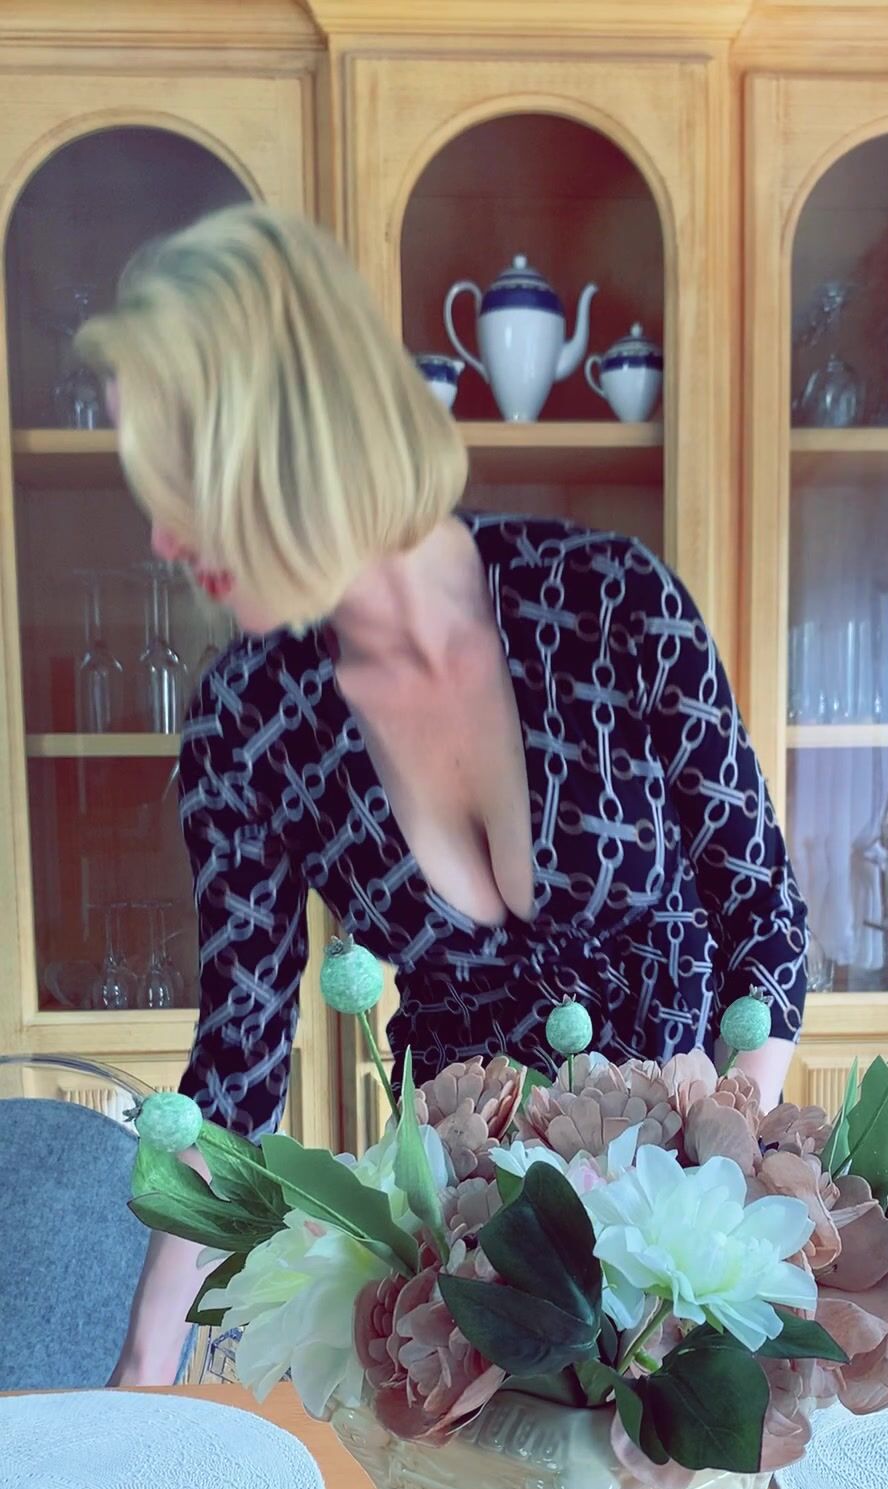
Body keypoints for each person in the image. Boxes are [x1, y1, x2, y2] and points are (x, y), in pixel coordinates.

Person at [77, 203, 808, 1387]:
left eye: (177, 486)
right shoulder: (247, 718)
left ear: (284, 443)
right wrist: (144, 1368)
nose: (161, 538)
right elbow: (239, 1062)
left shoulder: (612, 603)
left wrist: (719, 1192)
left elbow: (762, 920)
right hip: (463, 1282)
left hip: (686, 1255)